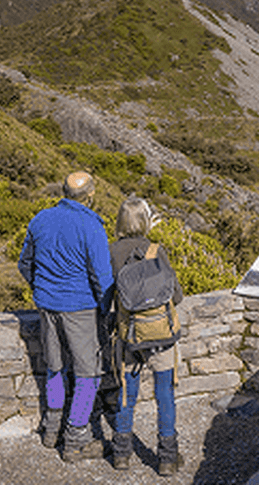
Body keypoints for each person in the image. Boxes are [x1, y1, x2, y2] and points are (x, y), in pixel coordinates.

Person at [18, 171, 114, 462]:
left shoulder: (40, 219)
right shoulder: (91, 224)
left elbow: (25, 264)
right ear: (91, 195)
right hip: (81, 309)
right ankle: (76, 439)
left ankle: (51, 430)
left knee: (55, 367)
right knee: (88, 375)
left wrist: (42, 290)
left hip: (47, 307)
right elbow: (103, 277)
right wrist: (105, 311)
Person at [109, 197, 184, 475]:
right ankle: (166, 459)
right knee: (164, 394)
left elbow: (108, 295)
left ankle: (121, 455)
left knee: (128, 395)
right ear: (145, 221)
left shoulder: (113, 251)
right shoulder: (155, 250)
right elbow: (176, 295)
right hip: (160, 334)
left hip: (130, 336)